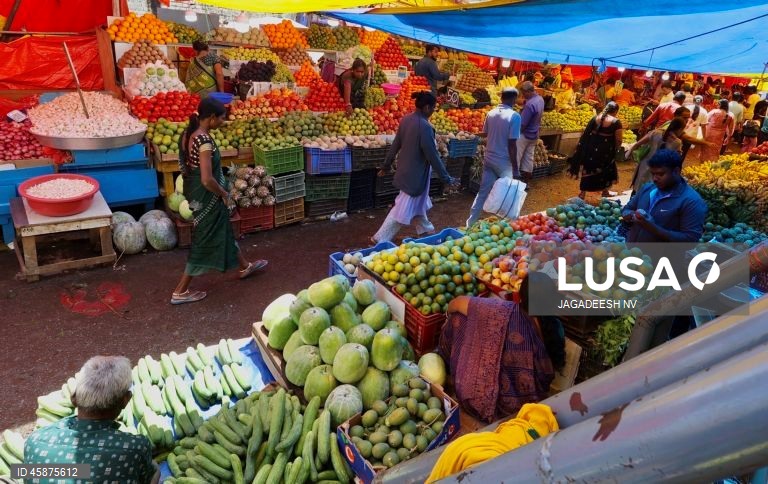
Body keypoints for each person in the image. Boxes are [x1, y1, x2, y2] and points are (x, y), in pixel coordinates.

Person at [171, 98, 267, 304]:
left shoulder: (187, 134)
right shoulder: (203, 141)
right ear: (212, 118)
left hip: (196, 195)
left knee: (221, 228)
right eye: (222, 118)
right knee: (204, 239)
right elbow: (206, 179)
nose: (224, 122)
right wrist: (224, 194)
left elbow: (187, 168)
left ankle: (244, 266)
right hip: (208, 196)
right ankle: (180, 291)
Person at [438, 271, 565, 423]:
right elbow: (555, 363)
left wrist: (447, 316)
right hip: (528, 406)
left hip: (479, 402)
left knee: (458, 319)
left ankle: (451, 371)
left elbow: (457, 303)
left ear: (521, 296)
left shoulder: (501, 310)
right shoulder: (555, 326)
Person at [24, 356, 159, 484]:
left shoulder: (34, 440)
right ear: (125, 400)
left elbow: (80, 471)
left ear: (74, 398)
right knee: (156, 472)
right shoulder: (134, 448)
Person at [372, 92, 459, 243]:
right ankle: (379, 238)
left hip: (405, 171)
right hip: (416, 176)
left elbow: (395, 145)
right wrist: (446, 177)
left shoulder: (406, 120)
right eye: (433, 108)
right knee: (402, 209)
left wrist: (386, 165)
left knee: (418, 205)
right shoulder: (425, 127)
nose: (433, 111)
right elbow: (433, 156)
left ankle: (426, 233)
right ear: (426, 108)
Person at [621, 149, 707, 243]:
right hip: (633, 253)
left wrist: (652, 227)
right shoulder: (648, 189)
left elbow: (690, 240)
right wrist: (631, 215)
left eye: (660, 174)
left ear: (676, 171)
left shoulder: (691, 201)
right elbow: (626, 209)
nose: (655, 179)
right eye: (653, 174)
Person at [466, 88, 521, 228]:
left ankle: (470, 223)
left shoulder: (491, 113)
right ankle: (507, 227)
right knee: (508, 196)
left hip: (489, 158)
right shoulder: (515, 116)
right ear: (513, 99)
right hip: (504, 162)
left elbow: (485, 134)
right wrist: (515, 168)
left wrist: (472, 135)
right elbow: (512, 144)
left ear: (502, 98)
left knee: (482, 192)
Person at [568, 101, 622, 199]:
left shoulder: (595, 118)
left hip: (591, 148)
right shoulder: (616, 122)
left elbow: (587, 134)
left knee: (588, 168)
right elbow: (619, 139)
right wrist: (616, 149)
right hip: (606, 151)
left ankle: (582, 193)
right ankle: (605, 191)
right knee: (605, 169)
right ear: (615, 111)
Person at [628, 117, 686, 194]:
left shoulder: (656, 133)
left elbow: (638, 143)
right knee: (652, 190)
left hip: (646, 164)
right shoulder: (677, 142)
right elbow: (676, 159)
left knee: (639, 185)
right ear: (679, 129)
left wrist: (630, 153)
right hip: (661, 169)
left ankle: (634, 203)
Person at [518, 81, 545, 184]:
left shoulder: (530, 105)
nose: (523, 95)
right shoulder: (540, 99)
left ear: (528, 91)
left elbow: (523, 124)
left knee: (516, 158)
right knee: (528, 159)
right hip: (534, 135)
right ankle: (526, 182)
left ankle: (513, 183)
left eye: (523, 93)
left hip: (524, 135)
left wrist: (515, 134)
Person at [682, 95, 708, 160]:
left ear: (693, 100)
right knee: (683, 152)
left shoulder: (686, 107)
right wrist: (704, 138)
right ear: (702, 102)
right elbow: (703, 126)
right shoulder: (704, 112)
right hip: (691, 136)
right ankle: (678, 167)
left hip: (680, 132)